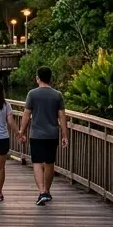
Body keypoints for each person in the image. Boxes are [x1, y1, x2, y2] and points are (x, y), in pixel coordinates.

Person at [19, 66, 68, 206]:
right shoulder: (57, 95)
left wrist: (22, 131)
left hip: (36, 134)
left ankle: (42, 192)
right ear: (50, 78)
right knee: (50, 163)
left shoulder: (32, 94)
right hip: (52, 134)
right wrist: (64, 135)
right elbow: (62, 116)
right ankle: (47, 190)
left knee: (37, 163)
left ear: (37, 78)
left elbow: (27, 115)